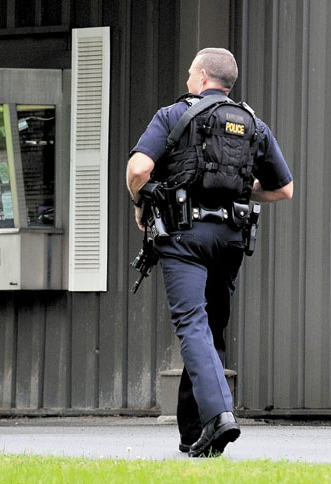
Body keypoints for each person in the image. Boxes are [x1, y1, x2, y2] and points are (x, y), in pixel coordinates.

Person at [126, 48, 293, 457]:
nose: (187, 80)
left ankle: (219, 416)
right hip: (231, 239)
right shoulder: (253, 123)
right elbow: (284, 189)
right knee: (210, 330)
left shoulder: (173, 115)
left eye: (189, 74)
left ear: (202, 77)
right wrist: (243, 187)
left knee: (191, 325)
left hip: (184, 236)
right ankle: (195, 436)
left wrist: (140, 203)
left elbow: (138, 169)